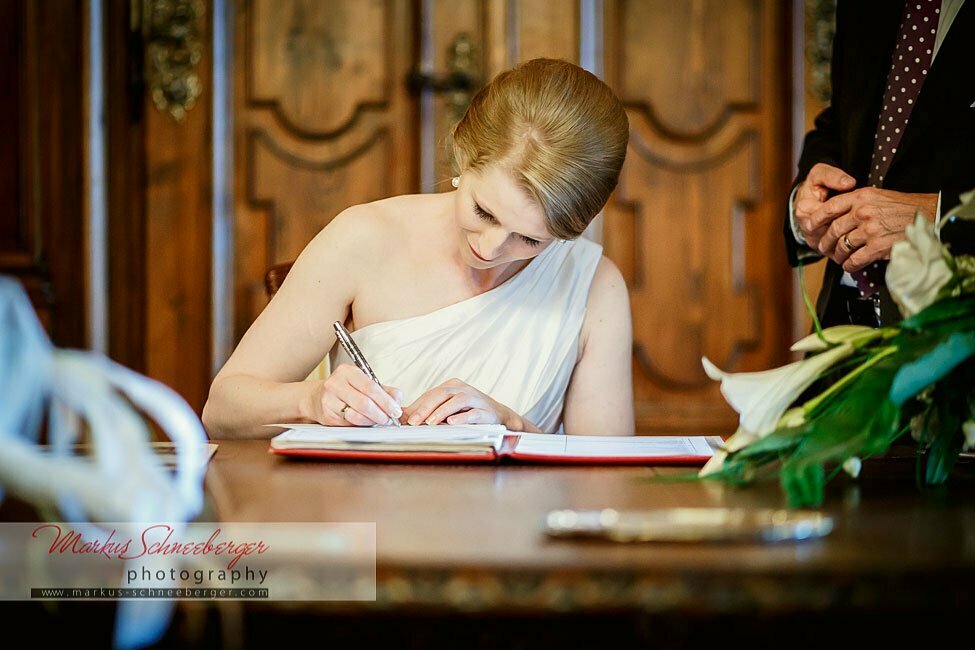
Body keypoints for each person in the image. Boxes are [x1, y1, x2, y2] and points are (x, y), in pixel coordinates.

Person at [203, 58, 634, 439]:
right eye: (484, 212)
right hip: (370, 525)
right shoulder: (364, 238)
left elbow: (606, 480)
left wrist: (513, 425)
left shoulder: (595, 286)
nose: (490, 248)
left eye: (530, 239)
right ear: (462, 155)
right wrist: (311, 401)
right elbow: (222, 410)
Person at [786, 0, 974, 328]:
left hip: (954, 337)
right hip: (842, 329)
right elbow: (839, 123)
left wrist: (938, 218)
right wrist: (805, 200)